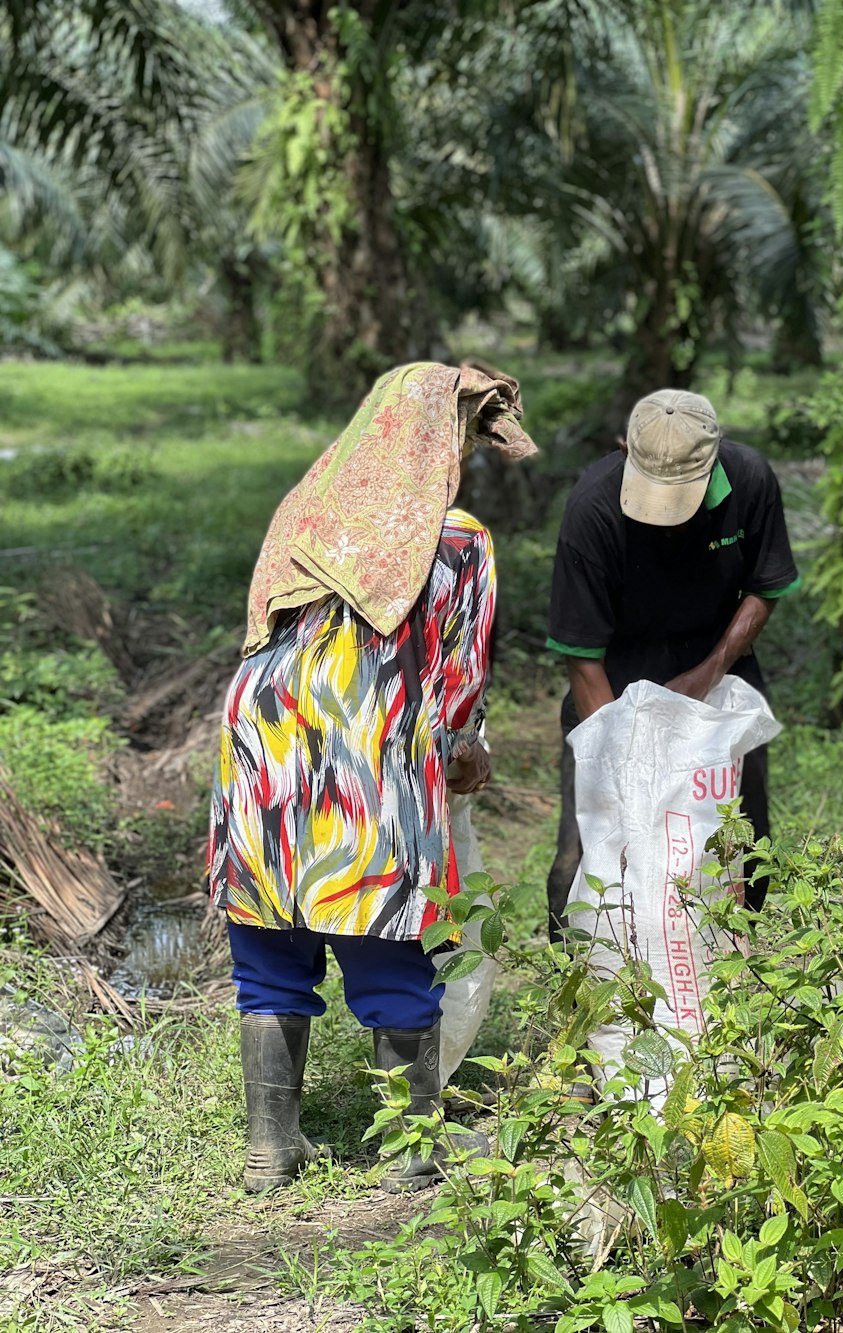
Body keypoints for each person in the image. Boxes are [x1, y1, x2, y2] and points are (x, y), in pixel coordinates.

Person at [208, 361, 537, 1194]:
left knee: (274, 936)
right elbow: (457, 683)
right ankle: (410, 1152)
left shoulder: (304, 514)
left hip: (262, 735)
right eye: (465, 437)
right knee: (389, 934)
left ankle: (269, 1148)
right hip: (370, 741)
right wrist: (467, 758)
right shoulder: (455, 539)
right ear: (439, 441)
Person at [545, 388, 800, 940]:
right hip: (614, 679)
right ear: (623, 449)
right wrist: (626, 763)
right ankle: (577, 989)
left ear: (714, 458)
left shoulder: (750, 479)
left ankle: (733, 977)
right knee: (587, 851)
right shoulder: (593, 509)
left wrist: (708, 674)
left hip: (719, 676)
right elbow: (583, 659)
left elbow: (763, 587)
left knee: (742, 844)